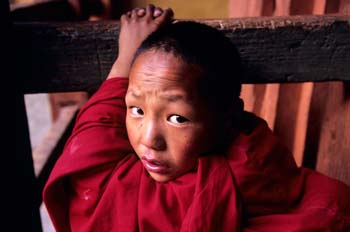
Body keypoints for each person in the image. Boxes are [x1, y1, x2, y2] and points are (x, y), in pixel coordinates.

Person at [43, 5, 350, 231]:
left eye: (177, 118)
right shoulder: (255, 161)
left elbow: (91, 143)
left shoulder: (248, 175)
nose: (149, 139)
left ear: (229, 121)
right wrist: (130, 58)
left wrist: (125, 59)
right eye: (136, 110)